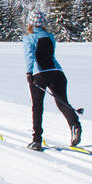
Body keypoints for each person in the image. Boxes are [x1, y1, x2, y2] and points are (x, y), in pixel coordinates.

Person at [23, 11, 81, 150]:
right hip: (57, 72)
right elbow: (51, 54)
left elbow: (29, 56)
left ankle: (36, 140)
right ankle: (75, 125)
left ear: (30, 23)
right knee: (62, 102)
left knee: (37, 107)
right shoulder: (50, 36)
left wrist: (29, 73)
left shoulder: (29, 38)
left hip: (39, 74)